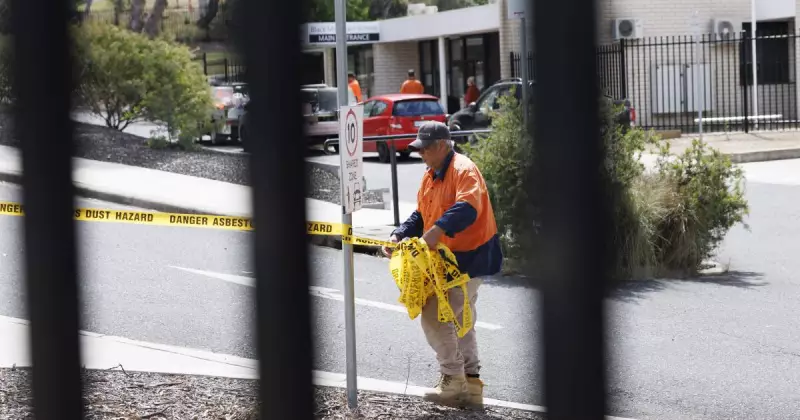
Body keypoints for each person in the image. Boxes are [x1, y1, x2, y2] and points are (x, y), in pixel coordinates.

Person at [382, 121, 502, 408]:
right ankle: (471, 385)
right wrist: (399, 233)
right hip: (448, 261)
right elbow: (421, 215)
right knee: (461, 320)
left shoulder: (463, 169)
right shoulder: (431, 174)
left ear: (441, 145)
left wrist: (436, 232)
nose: (420, 153)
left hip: (468, 259)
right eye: (418, 149)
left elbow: (468, 208)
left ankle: (452, 380)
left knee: (435, 315)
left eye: (424, 149)